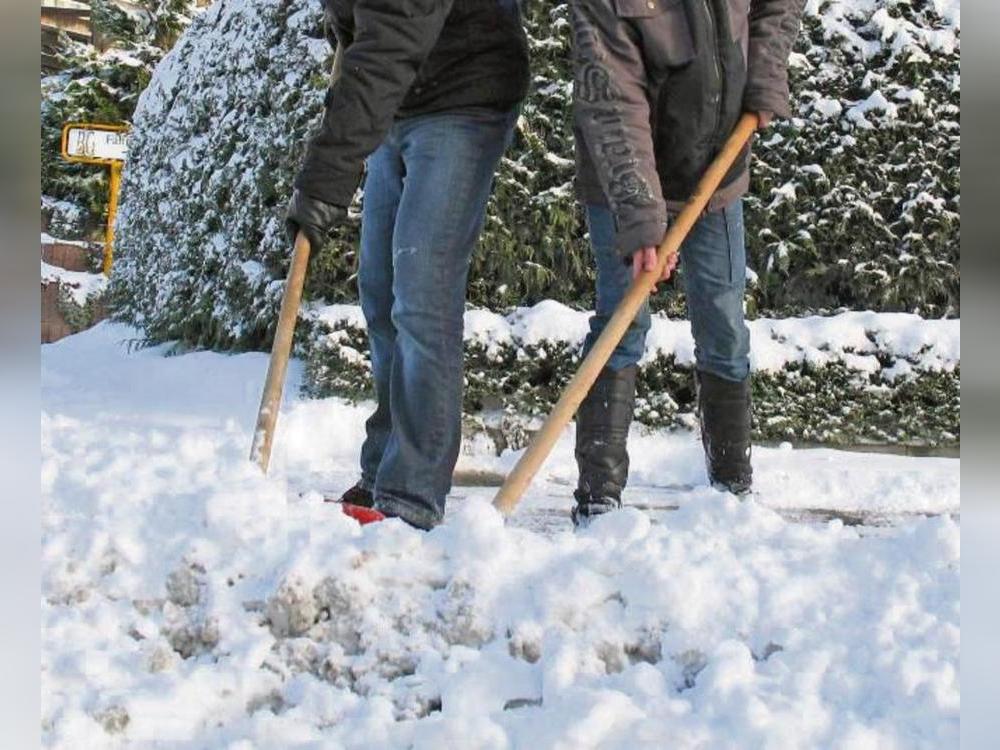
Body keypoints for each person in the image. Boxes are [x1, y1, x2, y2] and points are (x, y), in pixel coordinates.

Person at [287, 0, 530, 529]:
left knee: (422, 294)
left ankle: (412, 492)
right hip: (402, 100)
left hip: (465, 96)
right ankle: (384, 466)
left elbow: (388, 42)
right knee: (379, 292)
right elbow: (365, 37)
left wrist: (326, 176)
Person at [569, 0, 803, 524]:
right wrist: (641, 219)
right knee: (623, 320)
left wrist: (765, 73)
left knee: (724, 322)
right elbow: (612, 100)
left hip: (717, 168)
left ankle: (731, 486)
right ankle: (599, 496)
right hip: (623, 177)